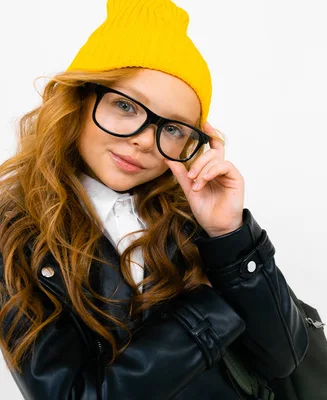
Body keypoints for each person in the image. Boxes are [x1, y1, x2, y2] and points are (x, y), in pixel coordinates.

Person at [0, 0, 309, 398]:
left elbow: (282, 358)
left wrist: (228, 234)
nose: (145, 140)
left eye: (175, 128)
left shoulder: (189, 210)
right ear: (80, 99)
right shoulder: (17, 234)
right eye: (125, 106)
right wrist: (212, 309)